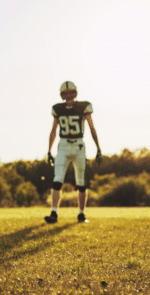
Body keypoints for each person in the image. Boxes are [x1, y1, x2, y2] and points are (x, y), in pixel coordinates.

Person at [45, 81, 101, 224]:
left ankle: (81, 214)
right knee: (57, 180)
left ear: (75, 93)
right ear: (62, 95)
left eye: (71, 93)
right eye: (66, 93)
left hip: (79, 145)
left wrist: (98, 148)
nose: (69, 96)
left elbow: (92, 128)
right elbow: (53, 130)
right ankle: (54, 213)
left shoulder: (84, 106)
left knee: (81, 182)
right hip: (63, 145)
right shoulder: (57, 109)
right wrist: (49, 150)